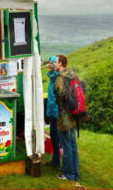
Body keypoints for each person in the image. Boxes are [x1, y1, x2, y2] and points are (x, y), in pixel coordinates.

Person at [54, 54, 80, 183]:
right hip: (74, 114)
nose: (54, 64)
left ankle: (68, 174)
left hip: (64, 115)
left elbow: (61, 94)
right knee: (73, 145)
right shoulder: (73, 75)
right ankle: (75, 174)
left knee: (66, 146)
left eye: (56, 62)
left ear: (61, 64)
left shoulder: (61, 78)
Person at [45, 56, 60, 167]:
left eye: (52, 63)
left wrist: (52, 69)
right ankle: (55, 160)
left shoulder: (57, 76)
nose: (50, 65)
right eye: (49, 63)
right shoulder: (52, 77)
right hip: (52, 110)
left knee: (56, 136)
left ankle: (56, 160)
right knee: (53, 136)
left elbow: (54, 75)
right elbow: (50, 75)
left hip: (57, 111)